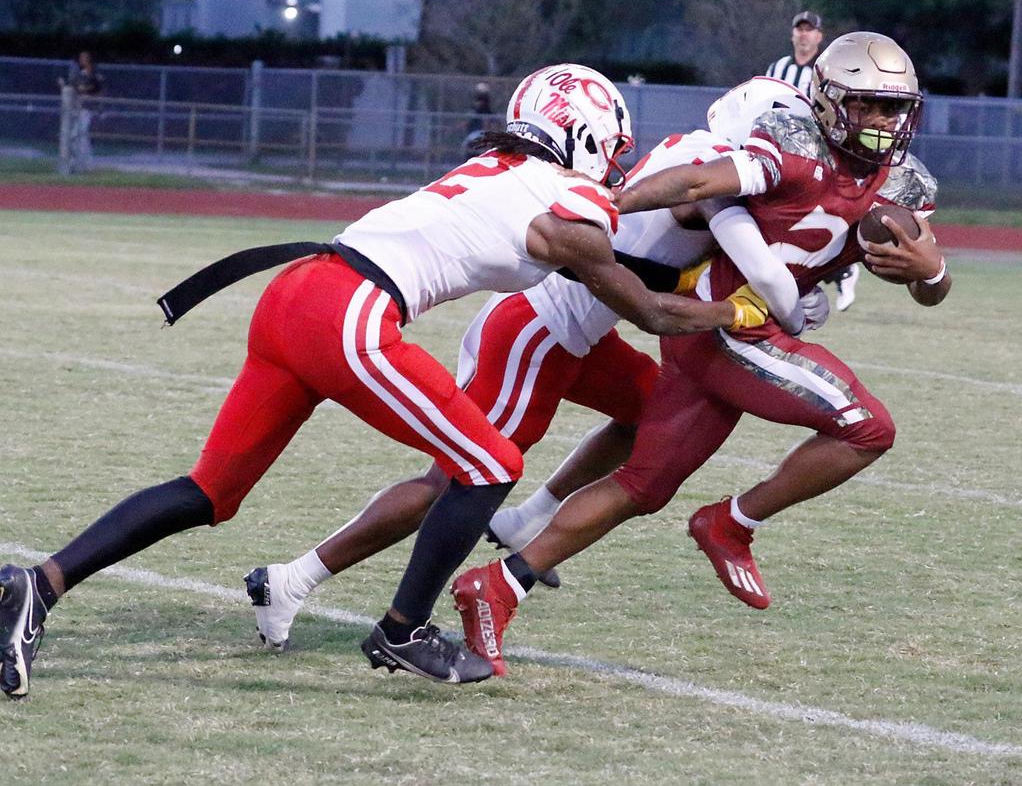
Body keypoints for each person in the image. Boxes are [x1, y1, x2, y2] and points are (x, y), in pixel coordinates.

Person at [0, 63, 773, 698]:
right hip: (350, 311)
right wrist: (737, 311)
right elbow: (648, 311)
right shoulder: (567, 197)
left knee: (211, 491)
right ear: (585, 137)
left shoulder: (494, 162)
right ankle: (403, 629)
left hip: (296, 292)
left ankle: (39, 583)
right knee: (493, 463)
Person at [243, 77, 826, 653]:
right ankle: (293, 580)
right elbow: (754, 275)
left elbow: (653, 262)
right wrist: (781, 301)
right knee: (450, 481)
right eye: (788, 137)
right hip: (537, 334)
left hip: (582, 334)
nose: (796, 153)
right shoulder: (715, 178)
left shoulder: (695, 152)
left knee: (651, 412)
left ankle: (529, 520)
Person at [451, 32, 952, 678]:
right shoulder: (793, 145)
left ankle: (497, 586)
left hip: (728, 331)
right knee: (866, 427)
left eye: (894, 107)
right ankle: (733, 521)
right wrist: (609, 203)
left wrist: (931, 271)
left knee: (642, 486)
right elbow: (696, 181)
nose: (884, 121)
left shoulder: (908, 185)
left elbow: (929, 288)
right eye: (868, 105)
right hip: (729, 329)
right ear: (829, 101)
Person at [767, 12, 860, 311]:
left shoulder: (826, 70)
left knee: (809, 216)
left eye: (810, 30)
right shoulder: (777, 67)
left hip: (814, 154)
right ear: (793, 34)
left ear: (820, 36)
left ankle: (841, 269)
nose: (804, 35)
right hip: (779, 152)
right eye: (800, 29)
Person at [58, 51, 104, 171]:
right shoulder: (81, 74)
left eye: (84, 58)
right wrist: (64, 85)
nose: (81, 60)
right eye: (81, 58)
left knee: (76, 135)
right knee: (81, 137)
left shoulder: (94, 74)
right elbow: (73, 88)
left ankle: (81, 163)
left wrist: (99, 106)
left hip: (88, 109)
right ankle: (85, 164)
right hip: (78, 109)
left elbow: (98, 91)